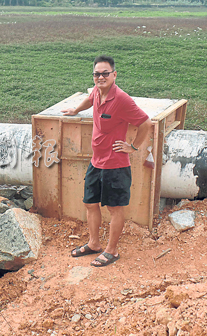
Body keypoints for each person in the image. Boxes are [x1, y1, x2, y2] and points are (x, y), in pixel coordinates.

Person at [61, 55, 151, 267]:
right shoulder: (97, 91)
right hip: (96, 161)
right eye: (97, 74)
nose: (100, 77)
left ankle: (112, 250)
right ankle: (94, 244)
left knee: (114, 208)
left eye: (105, 73)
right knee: (90, 203)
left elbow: (145, 122)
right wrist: (75, 110)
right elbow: (90, 98)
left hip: (116, 165)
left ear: (114, 75)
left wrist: (133, 147)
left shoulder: (122, 99)